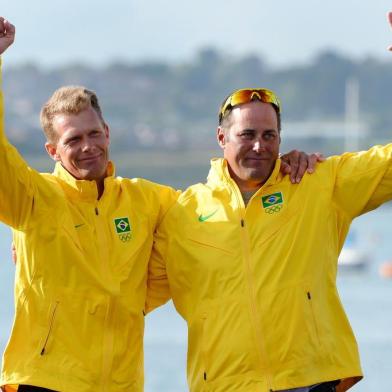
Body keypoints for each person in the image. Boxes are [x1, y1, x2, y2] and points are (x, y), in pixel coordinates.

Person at [0, 17, 319, 392]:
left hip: (120, 384)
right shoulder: (33, 198)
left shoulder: (147, 199)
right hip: (44, 381)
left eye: (94, 134)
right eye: (73, 140)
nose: (87, 147)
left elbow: (220, 211)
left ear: (108, 133)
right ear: (53, 150)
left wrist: (278, 166)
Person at [147, 17, 392, 392]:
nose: (259, 145)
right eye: (247, 134)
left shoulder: (317, 183)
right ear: (221, 137)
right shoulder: (182, 211)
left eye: (269, 135)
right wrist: (36, 244)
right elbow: (122, 281)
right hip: (225, 384)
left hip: (309, 378)